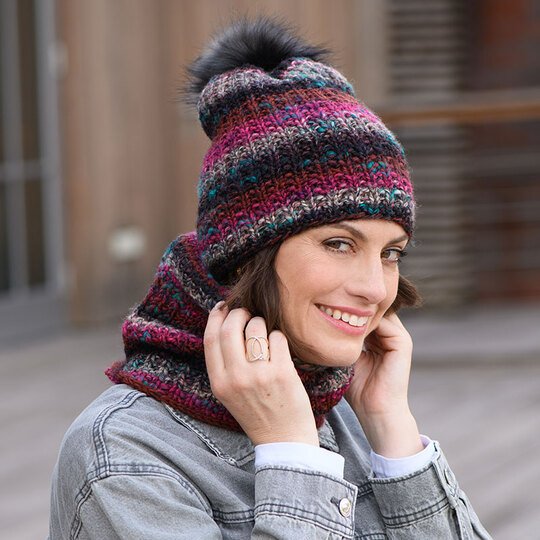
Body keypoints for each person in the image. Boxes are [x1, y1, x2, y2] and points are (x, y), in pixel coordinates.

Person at [49, 17, 492, 539]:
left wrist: (392, 429)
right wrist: (293, 455)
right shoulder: (123, 456)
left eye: (391, 253)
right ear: (246, 253)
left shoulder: (347, 411)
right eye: (339, 244)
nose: (375, 289)